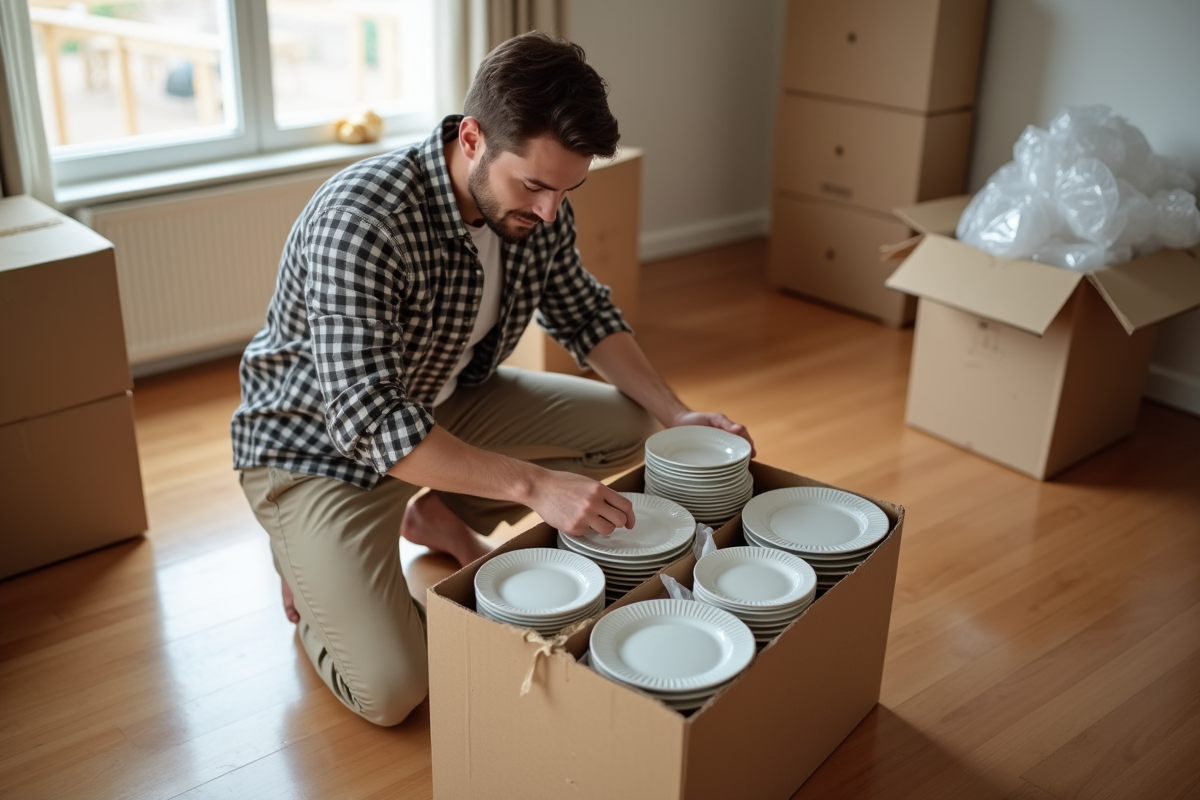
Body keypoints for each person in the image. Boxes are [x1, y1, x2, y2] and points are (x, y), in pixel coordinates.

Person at [231, 31, 753, 727]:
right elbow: (366, 421)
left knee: (632, 424)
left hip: (442, 404)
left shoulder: (540, 207)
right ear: (471, 137)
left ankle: (436, 512)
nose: (548, 211)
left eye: (567, 190)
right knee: (393, 692)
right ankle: (301, 556)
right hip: (319, 452)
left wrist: (676, 412)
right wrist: (535, 486)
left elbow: (582, 312)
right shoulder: (361, 220)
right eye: (534, 185)